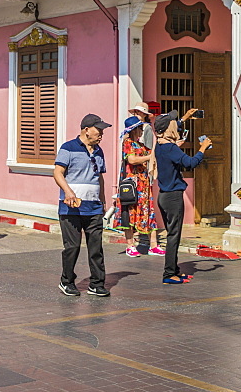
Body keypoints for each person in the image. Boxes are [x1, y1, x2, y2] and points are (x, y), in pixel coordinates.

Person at [54, 114, 112, 297]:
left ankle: (96, 283)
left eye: (102, 131)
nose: (101, 134)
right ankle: (67, 281)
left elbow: (99, 177)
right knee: (72, 247)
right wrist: (68, 192)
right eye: (98, 130)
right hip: (71, 207)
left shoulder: (99, 151)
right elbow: (57, 173)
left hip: (93, 207)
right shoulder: (68, 148)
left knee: (96, 247)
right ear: (86, 130)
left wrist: (103, 200)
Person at [153, 110, 212, 285]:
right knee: (173, 236)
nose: (175, 125)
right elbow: (190, 163)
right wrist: (203, 148)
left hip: (164, 196)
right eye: (173, 123)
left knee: (173, 235)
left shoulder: (160, 145)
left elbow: (170, 129)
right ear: (168, 128)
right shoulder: (170, 148)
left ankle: (175, 271)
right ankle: (169, 273)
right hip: (172, 198)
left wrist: (184, 119)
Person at [120, 120, 161, 257]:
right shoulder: (128, 144)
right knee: (130, 214)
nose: (141, 132)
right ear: (133, 130)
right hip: (133, 184)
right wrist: (149, 157)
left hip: (144, 184)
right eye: (139, 129)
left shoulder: (141, 145)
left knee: (149, 212)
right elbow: (131, 160)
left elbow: (153, 154)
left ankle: (153, 245)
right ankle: (130, 245)